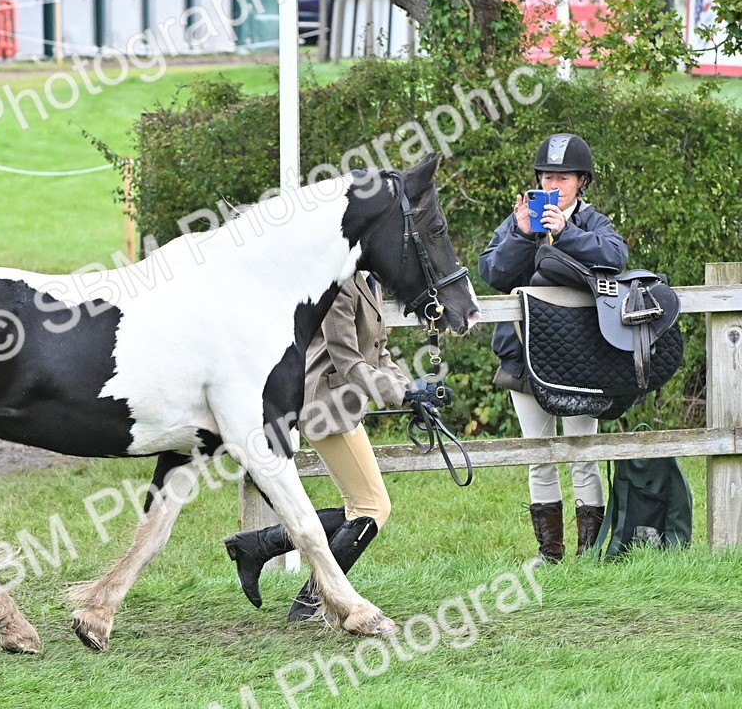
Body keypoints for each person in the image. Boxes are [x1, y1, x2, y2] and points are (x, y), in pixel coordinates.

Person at [222, 272, 448, 620]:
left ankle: (258, 546)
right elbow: (347, 361)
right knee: (371, 508)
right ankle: (313, 601)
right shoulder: (339, 283)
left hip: (343, 407)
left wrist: (411, 391)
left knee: (362, 507)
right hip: (325, 405)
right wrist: (399, 393)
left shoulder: (368, 281)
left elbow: (378, 353)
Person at [478, 133, 628, 563]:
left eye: (561, 177)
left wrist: (568, 234)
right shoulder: (519, 220)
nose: (552, 184)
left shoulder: (594, 222)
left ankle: (590, 551)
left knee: (583, 451)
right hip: (524, 353)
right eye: (546, 175)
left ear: (582, 181)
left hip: (580, 356)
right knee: (537, 454)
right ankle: (550, 553)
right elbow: (492, 272)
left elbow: (615, 257)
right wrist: (523, 236)